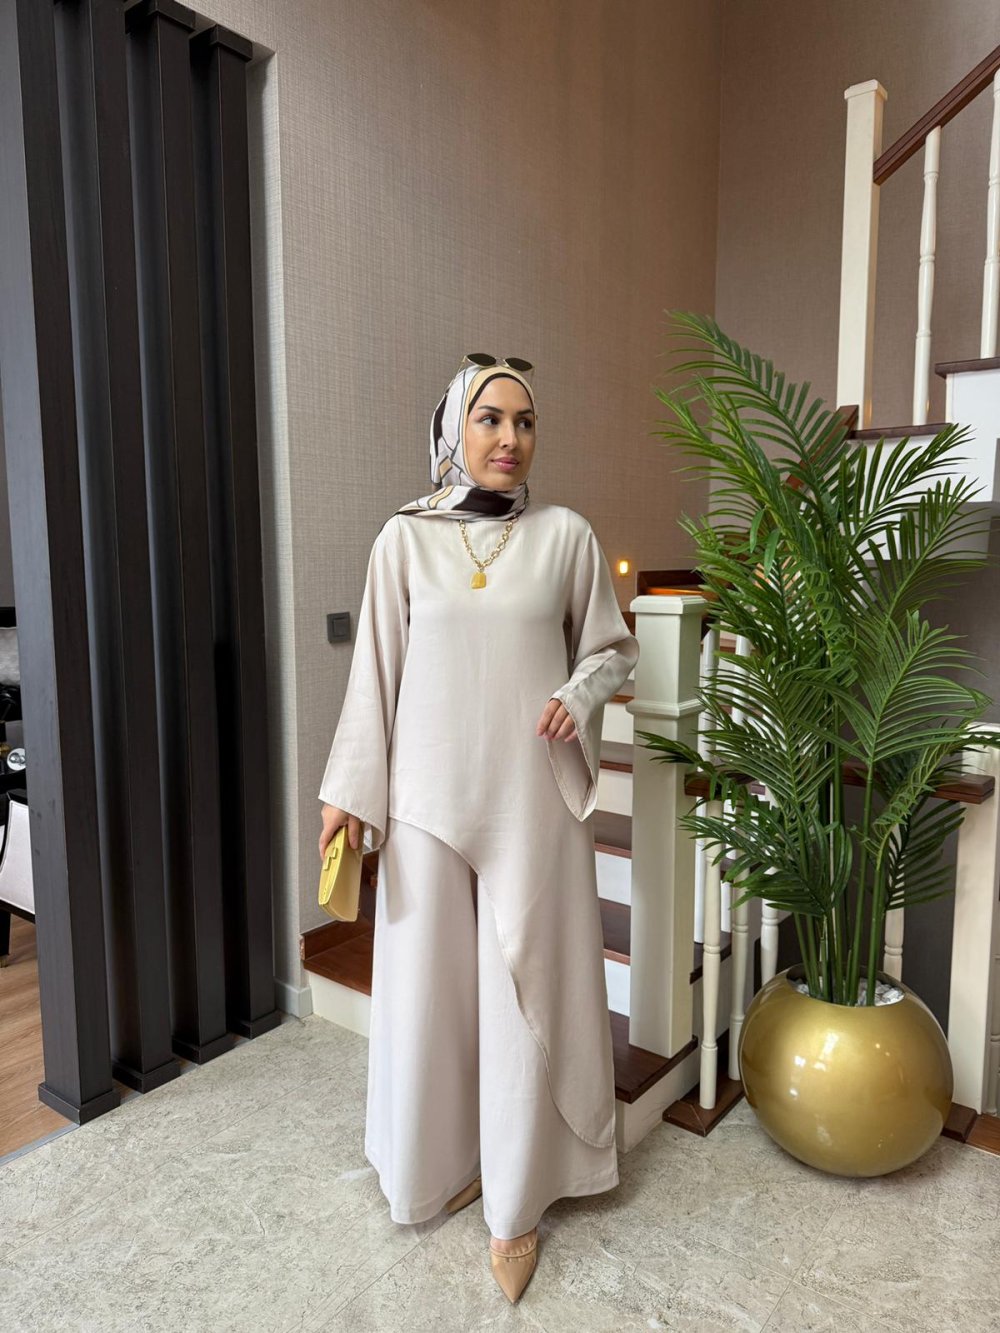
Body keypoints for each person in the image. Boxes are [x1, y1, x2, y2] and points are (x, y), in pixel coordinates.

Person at [318, 353, 639, 1302]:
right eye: (490, 418)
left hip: (529, 796)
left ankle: (517, 1202)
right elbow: (375, 673)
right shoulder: (404, 540)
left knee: (520, 988)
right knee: (430, 994)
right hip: (424, 800)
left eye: (525, 422)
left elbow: (612, 648)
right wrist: (348, 792)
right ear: (454, 429)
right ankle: (441, 1163)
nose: (509, 438)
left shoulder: (566, 536)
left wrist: (578, 694)